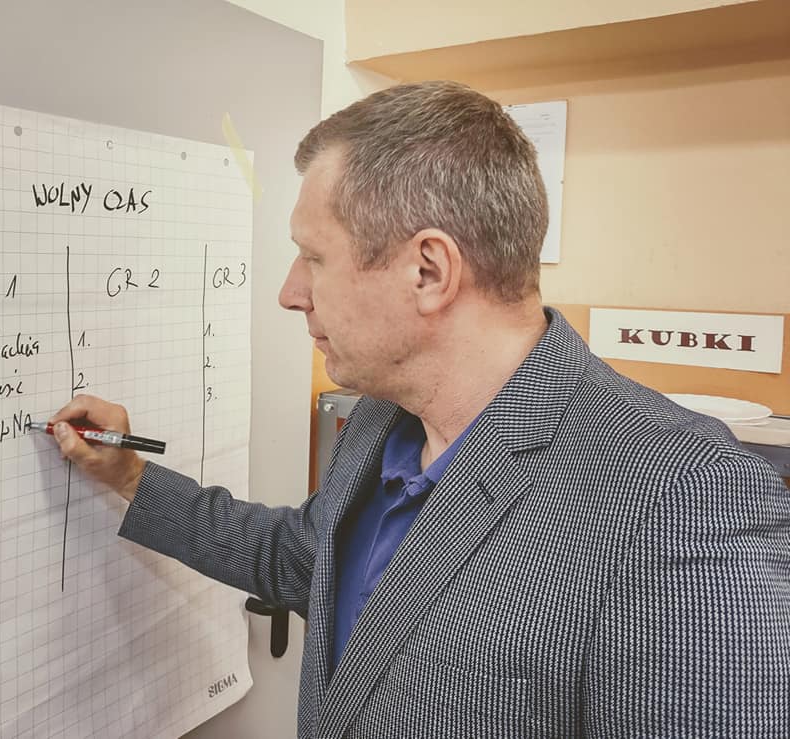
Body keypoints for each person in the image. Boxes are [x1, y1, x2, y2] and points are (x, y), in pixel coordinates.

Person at [47, 81, 790, 737]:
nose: (290, 292)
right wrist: (129, 476)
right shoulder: (381, 417)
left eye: (314, 257)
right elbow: (302, 560)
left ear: (428, 271)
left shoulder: (685, 499)